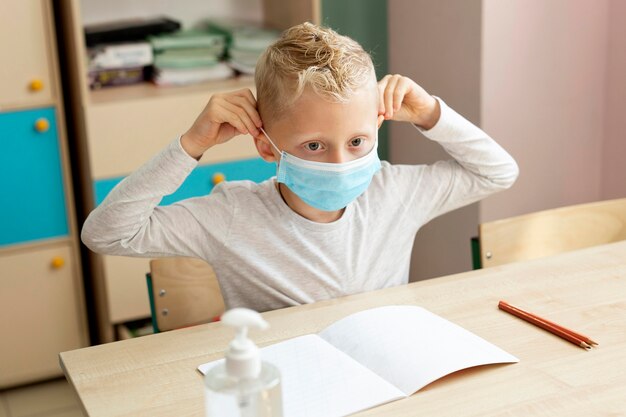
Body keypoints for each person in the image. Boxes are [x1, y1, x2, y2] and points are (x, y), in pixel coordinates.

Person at [82, 22, 518, 312]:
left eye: (357, 142)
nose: (340, 162)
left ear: (377, 127)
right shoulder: (232, 215)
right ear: (266, 146)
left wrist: (431, 114)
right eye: (314, 145)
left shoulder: (393, 192)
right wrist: (192, 144)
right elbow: (106, 233)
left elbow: (498, 172)